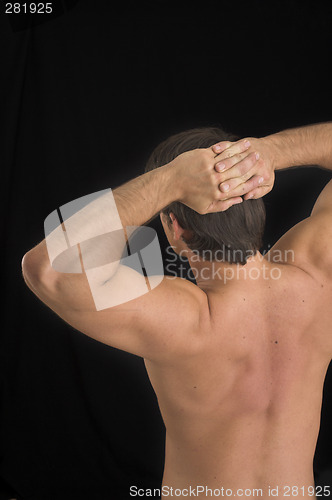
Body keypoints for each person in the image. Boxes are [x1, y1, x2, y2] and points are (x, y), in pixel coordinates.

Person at [22, 122, 332, 499]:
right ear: (254, 196)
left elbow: (50, 271)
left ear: (174, 227)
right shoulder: (318, 279)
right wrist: (266, 153)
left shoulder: (186, 322)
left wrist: (169, 181)